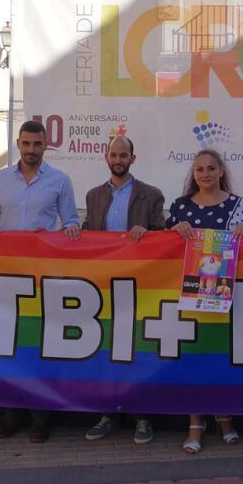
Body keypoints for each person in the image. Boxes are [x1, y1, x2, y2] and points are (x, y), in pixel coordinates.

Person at [0, 119, 81, 443]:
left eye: (37, 145)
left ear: (45, 146)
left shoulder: (60, 180)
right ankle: (11, 413)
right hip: (6, 272)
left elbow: (70, 221)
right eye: (26, 144)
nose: (31, 150)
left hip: (43, 273)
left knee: (39, 344)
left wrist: (70, 230)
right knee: (9, 343)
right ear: (18, 143)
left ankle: (41, 417)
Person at [166, 149, 243, 454]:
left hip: (225, 296)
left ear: (220, 171)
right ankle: (195, 422)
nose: (205, 174)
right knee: (194, 359)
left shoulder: (238, 206)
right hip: (190, 293)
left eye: (211, 168)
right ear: (193, 173)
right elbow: (162, 247)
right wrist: (174, 231)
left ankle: (225, 417)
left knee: (222, 358)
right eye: (199, 169)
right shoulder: (179, 207)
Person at [81, 134, 164, 446]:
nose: (118, 160)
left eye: (123, 155)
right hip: (103, 288)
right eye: (113, 154)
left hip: (140, 286)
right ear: (106, 157)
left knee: (138, 350)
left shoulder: (151, 195)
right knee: (107, 351)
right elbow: (90, 233)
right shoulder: (92, 195)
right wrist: (77, 231)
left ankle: (142, 416)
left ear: (133, 157)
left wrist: (150, 234)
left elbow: (163, 235)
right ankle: (108, 413)